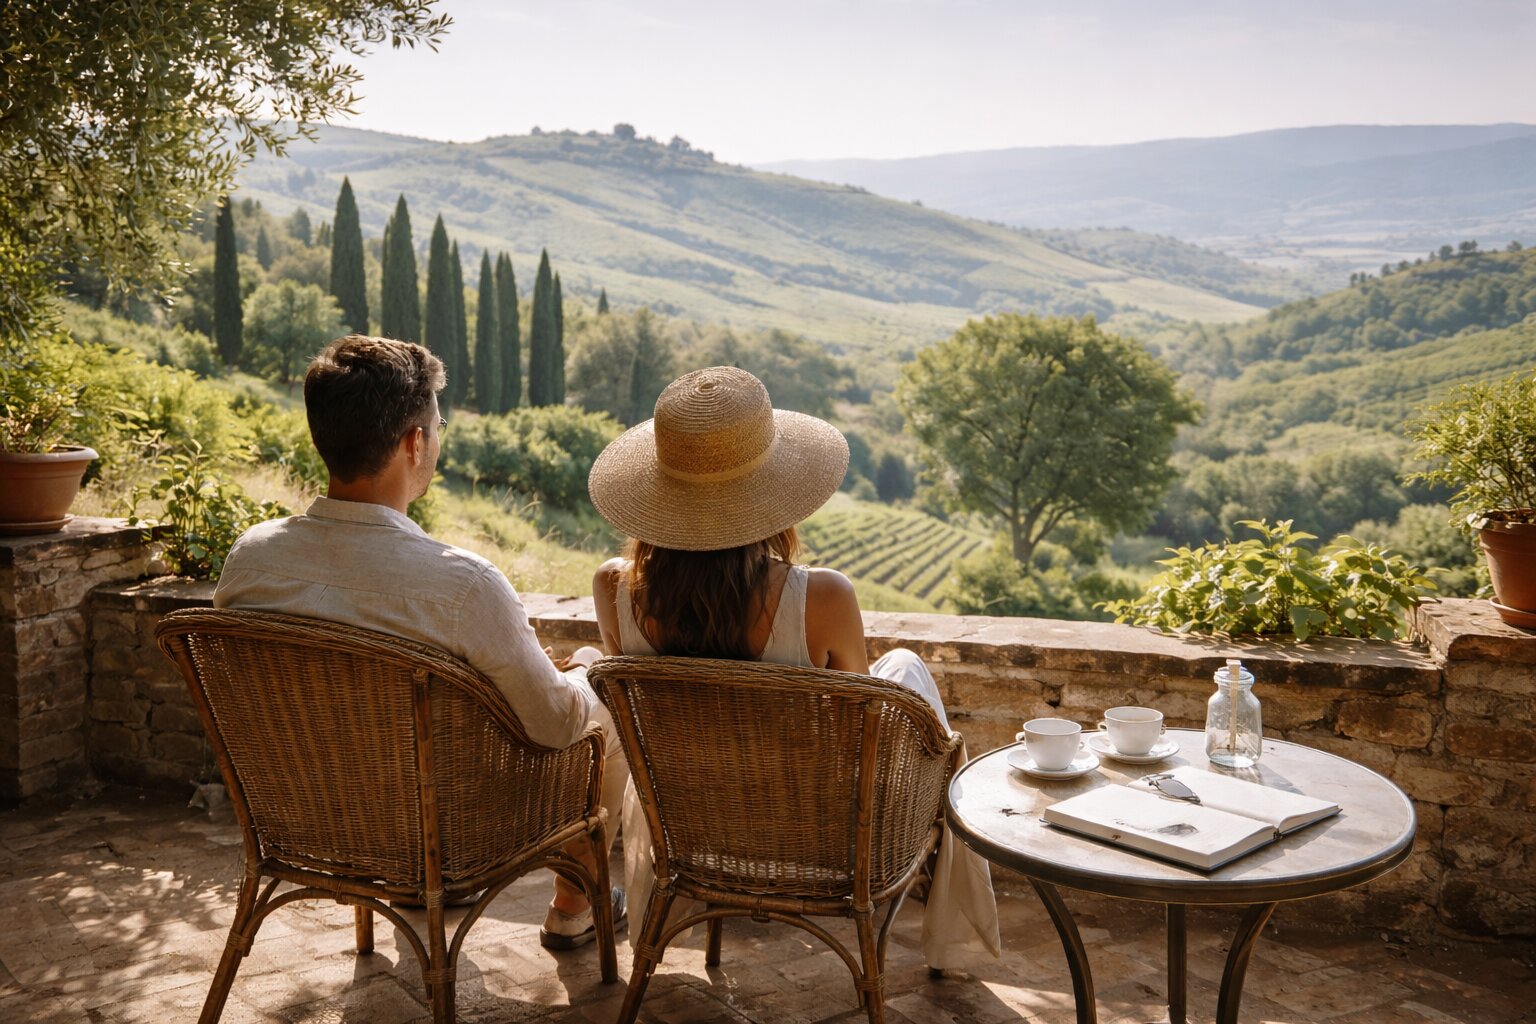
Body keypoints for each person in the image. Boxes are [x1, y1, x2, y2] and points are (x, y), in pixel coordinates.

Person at [213, 334, 624, 950]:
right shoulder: (462, 585)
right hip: (447, 834)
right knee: (603, 704)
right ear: (414, 442)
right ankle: (573, 906)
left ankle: (412, 885)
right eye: (438, 424)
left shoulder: (251, 561)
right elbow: (556, 725)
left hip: (296, 819)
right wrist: (589, 669)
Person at [584, 365, 1000, 970]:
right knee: (904, 669)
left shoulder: (615, 590)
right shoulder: (824, 599)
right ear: (772, 493)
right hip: (818, 838)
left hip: (690, 833)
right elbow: (862, 734)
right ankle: (951, 933)